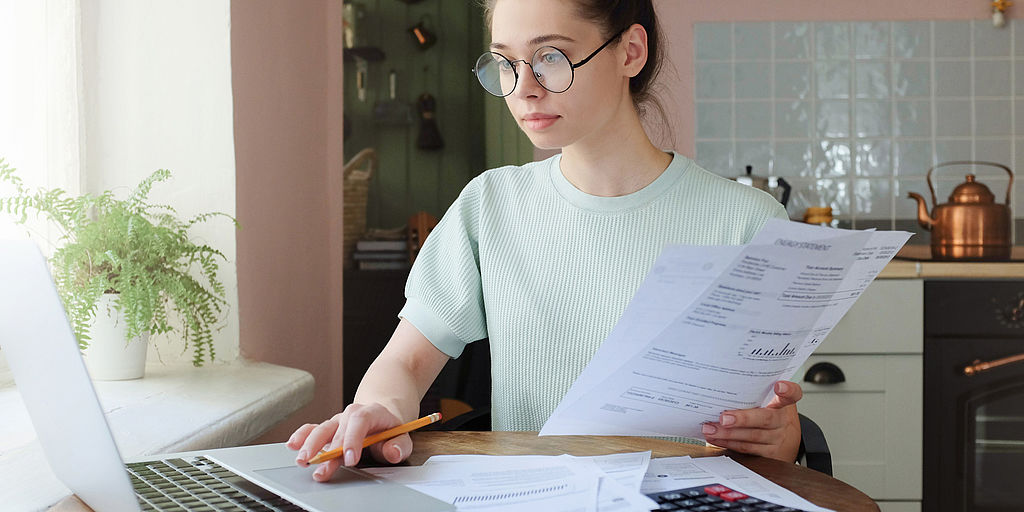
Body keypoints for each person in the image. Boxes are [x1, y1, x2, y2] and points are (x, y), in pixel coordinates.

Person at [289, 0, 803, 482]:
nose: (524, 88)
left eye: (551, 58)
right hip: (530, 494)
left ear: (630, 51)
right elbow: (404, 363)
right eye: (505, 63)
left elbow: (775, 428)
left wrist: (779, 437)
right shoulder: (490, 206)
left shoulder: (747, 223)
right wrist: (381, 409)